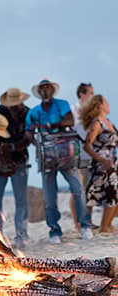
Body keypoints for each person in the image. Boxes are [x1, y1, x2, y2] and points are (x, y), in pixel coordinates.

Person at [25, 79, 93, 244]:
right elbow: (28, 131)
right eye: (42, 88)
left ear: (53, 90)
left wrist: (46, 125)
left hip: (66, 154)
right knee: (49, 197)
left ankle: (85, 226)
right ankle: (54, 231)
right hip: (46, 156)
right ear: (39, 92)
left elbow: (69, 120)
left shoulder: (62, 104)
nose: (45, 90)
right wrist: (36, 143)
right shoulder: (34, 111)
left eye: (48, 87)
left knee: (77, 190)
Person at [0, 88, 31, 249]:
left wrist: (12, 147)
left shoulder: (28, 113)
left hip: (20, 160)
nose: (14, 107)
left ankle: (22, 235)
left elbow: (28, 139)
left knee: (21, 201)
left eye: (16, 104)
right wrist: (3, 156)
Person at [79, 94, 118, 233]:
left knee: (113, 195)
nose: (108, 104)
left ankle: (106, 226)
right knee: (92, 196)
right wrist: (102, 160)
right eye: (106, 101)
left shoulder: (109, 123)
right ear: (100, 105)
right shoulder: (96, 123)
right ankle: (91, 227)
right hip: (100, 165)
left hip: (113, 163)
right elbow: (87, 146)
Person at [70, 83, 95, 230]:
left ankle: (87, 221)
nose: (92, 95)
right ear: (81, 94)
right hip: (79, 156)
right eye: (90, 93)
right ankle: (77, 223)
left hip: (92, 155)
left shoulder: (92, 113)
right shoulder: (74, 111)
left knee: (90, 191)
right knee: (78, 190)